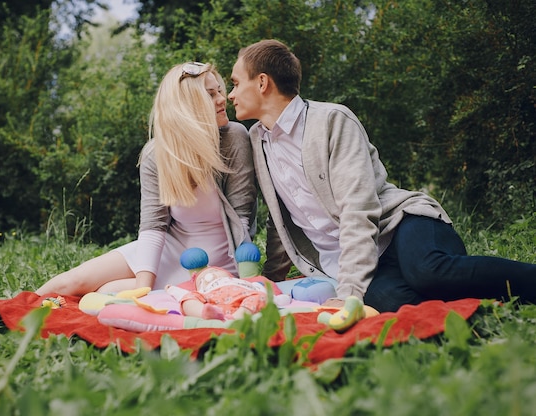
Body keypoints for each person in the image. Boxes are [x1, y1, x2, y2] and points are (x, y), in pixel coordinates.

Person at [228, 39, 536, 313]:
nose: (231, 94)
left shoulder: (331, 121)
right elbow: (280, 219)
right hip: (360, 261)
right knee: (391, 302)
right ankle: (482, 309)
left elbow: (358, 209)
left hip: (399, 224)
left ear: (262, 83)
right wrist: (269, 280)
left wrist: (348, 292)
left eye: (235, 83)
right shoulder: (258, 139)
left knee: (428, 271)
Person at [36, 62, 256, 297]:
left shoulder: (234, 137)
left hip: (217, 261)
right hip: (170, 249)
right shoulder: (158, 153)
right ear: (188, 105)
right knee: (72, 283)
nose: (222, 99)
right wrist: (144, 284)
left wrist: (243, 279)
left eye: (219, 91)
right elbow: (154, 225)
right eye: (211, 95)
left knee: (106, 291)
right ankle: (9, 310)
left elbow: (241, 219)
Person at [165, 266, 270, 320]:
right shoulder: (203, 291)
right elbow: (183, 294)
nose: (211, 275)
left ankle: (239, 316)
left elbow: (262, 290)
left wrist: (279, 298)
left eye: (214, 271)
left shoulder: (240, 282)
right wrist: (172, 289)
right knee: (187, 299)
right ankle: (203, 313)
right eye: (201, 280)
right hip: (212, 303)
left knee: (261, 297)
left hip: (243, 300)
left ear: (229, 275)